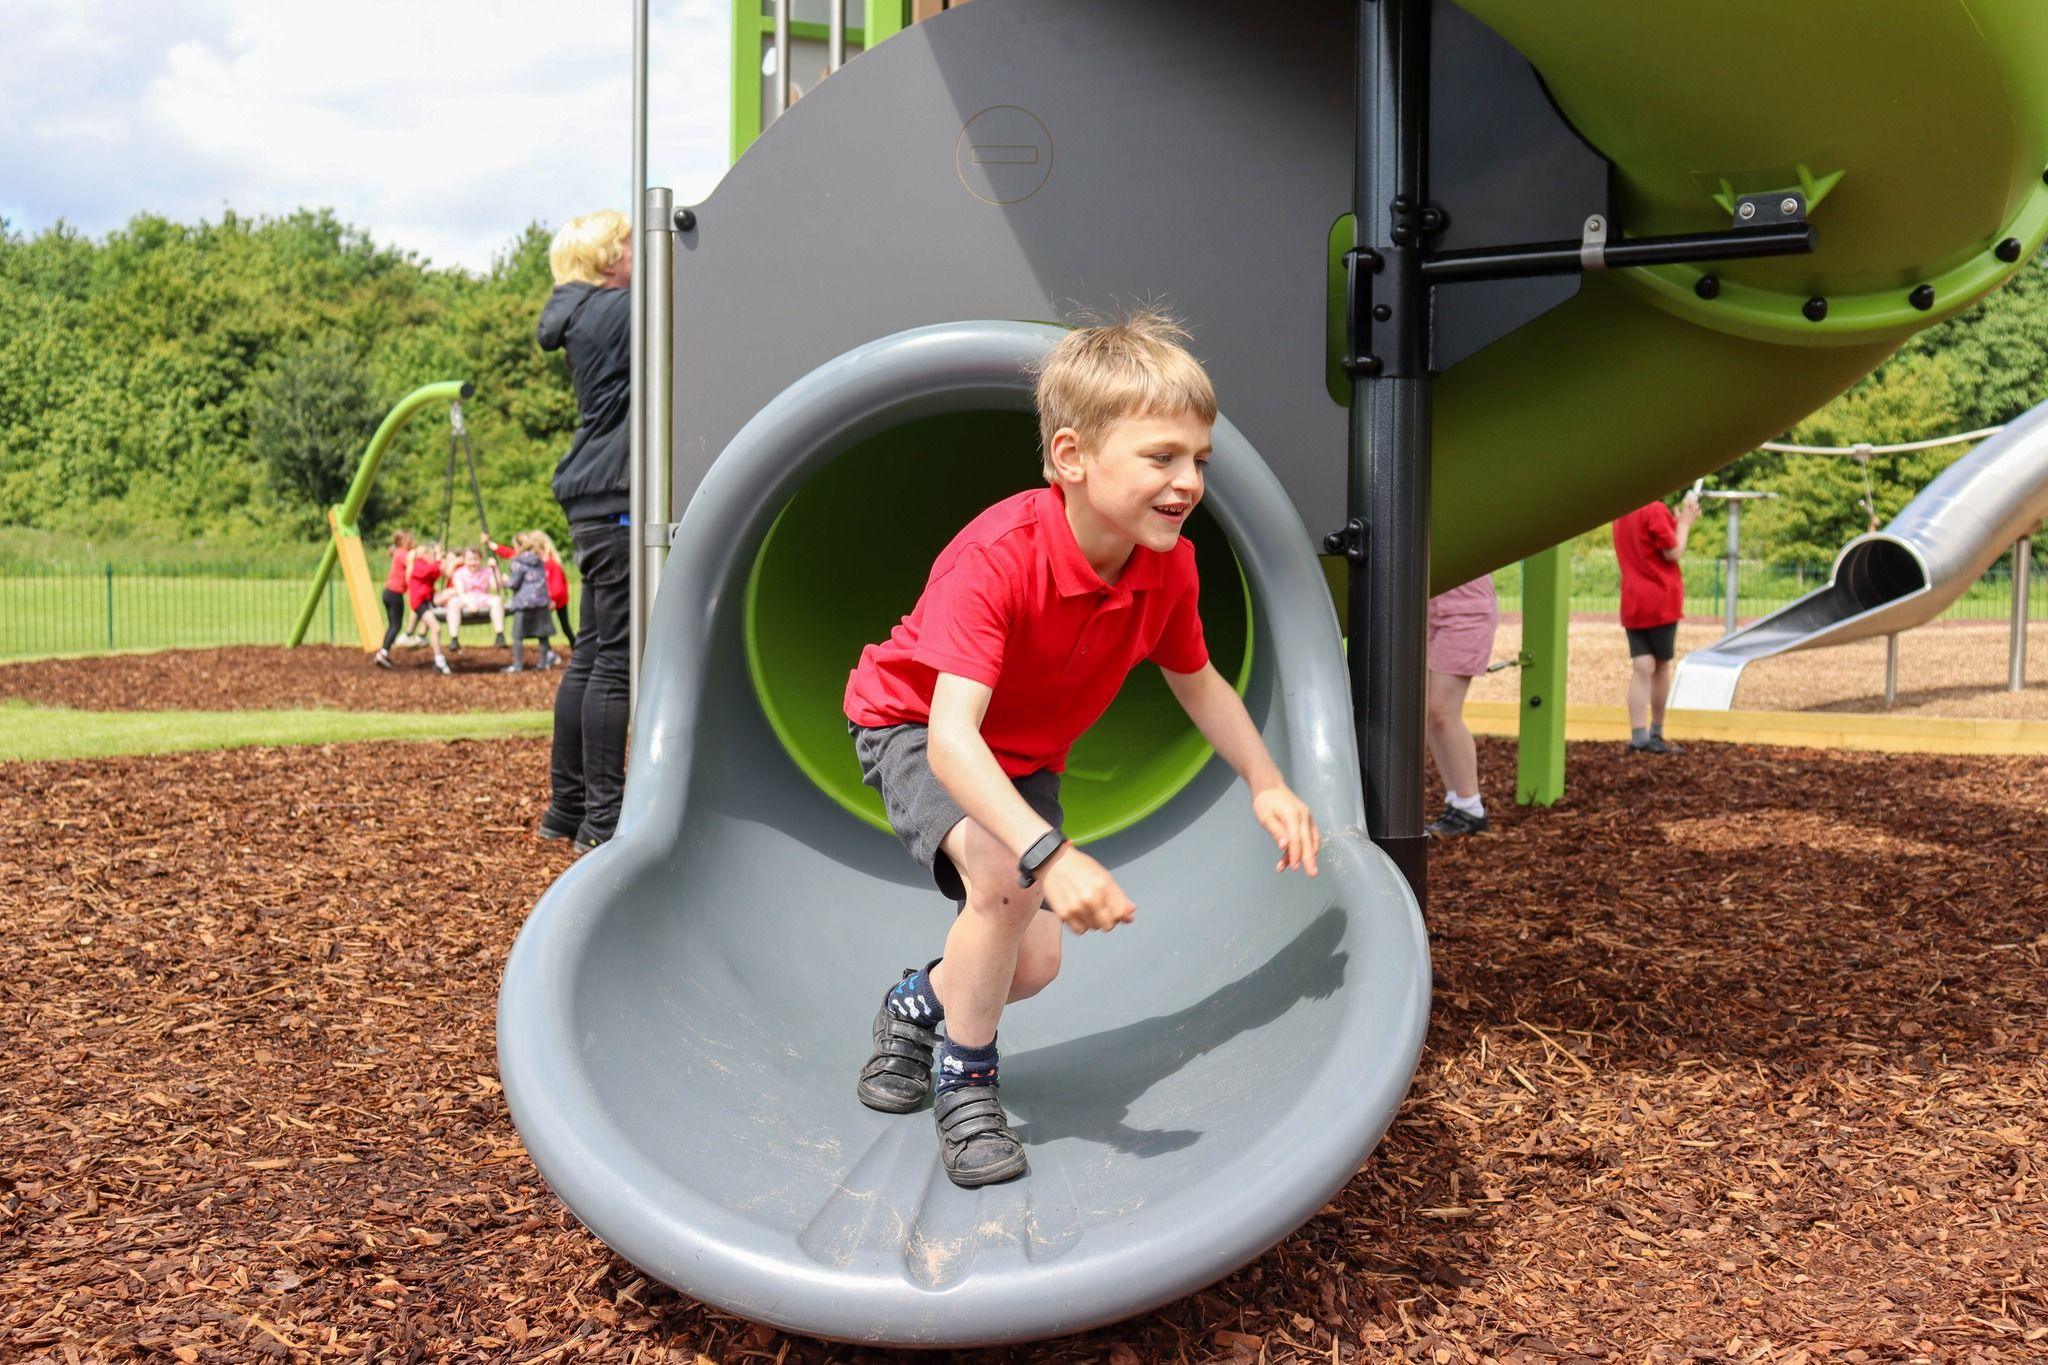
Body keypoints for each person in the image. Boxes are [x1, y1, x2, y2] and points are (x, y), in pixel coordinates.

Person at [841, 312, 1322, 1188]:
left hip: (1022, 755)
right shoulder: (998, 557)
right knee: (1006, 875)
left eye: (1200, 460)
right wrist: (1047, 852)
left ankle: (917, 1003)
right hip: (913, 722)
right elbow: (951, 741)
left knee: (1035, 959)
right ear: (1072, 456)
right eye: (1161, 456)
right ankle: (968, 1080)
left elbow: (1199, 679)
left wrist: (1266, 781)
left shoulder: (1166, 565)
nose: (1188, 482)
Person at [535, 210, 633, 852]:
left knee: (593, 654)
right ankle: (602, 825)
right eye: (629, 243)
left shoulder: (581, 316)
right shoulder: (621, 311)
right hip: (617, 490)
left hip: (590, 493)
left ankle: (565, 811)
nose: (638, 252)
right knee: (617, 663)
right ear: (605, 259)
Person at [1613, 490, 1701, 753]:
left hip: (1633, 601)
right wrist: (1684, 523)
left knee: (1641, 667)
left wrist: (1674, 524)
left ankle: (1637, 734)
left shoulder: (1620, 513)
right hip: (1660, 601)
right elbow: (1673, 551)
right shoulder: (1653, 509)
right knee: (1660, 667)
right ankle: (1656, 732)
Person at [1423, 574, 1498, 836]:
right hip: (1429, 612)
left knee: (1442, 711)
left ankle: (1471, 806)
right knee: (1429, 715)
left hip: (1466, 614)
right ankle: (1456, 802)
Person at [501, 533, 556, 673]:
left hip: (524, 602)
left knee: (518, 636)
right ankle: (543, 664)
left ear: (518, 546)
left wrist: (505, 580)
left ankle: (518, 665)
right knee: (543, 636)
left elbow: (514, 584)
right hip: (541, 601)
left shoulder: (517, 562)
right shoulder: (539, 560)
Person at [442, 545, 507, 650]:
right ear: (465, 560)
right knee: (452, 602)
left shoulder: (487, 571)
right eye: (470, 560)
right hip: (465, 598)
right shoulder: (459, 573)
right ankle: (454, 638)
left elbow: (495, 586)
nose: (473, 563)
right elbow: (460, 592)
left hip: (482, 597)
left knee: (497, 600)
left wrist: (495, 568)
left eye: (476, 559)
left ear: (481, 560)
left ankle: (500, 635)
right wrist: (469, 603)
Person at [405, 540, 454, 675]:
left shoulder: (424, 565)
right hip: (420, 602)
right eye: (431, 555)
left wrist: (441, 561)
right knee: (436, 628)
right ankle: (439, 660)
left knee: (435, 627)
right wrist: (438, 558)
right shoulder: (419, 565)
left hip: (426, 599)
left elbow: (436, 573)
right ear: (425, 554)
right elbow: (430, 570)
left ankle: (435, 655)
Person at [371, 529, 415, 670]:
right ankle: (382, 653)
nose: (413, 542)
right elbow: (413, 562)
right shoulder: (403, 554)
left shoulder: (397, 552)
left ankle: (383, 651)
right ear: (402, 541)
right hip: (395, 593)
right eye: (410, 540)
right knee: (396, 626)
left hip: (388, 592)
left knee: (392, 625)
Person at [537, 530, 573, 662]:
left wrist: (553, 600)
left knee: (565, 626)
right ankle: (548, 652)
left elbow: (558, 587)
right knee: (543, 626)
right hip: (548, 600)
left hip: (558, 600)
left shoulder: (552, 565)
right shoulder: (540, 564)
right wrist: (494, 546)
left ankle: (576, 649)